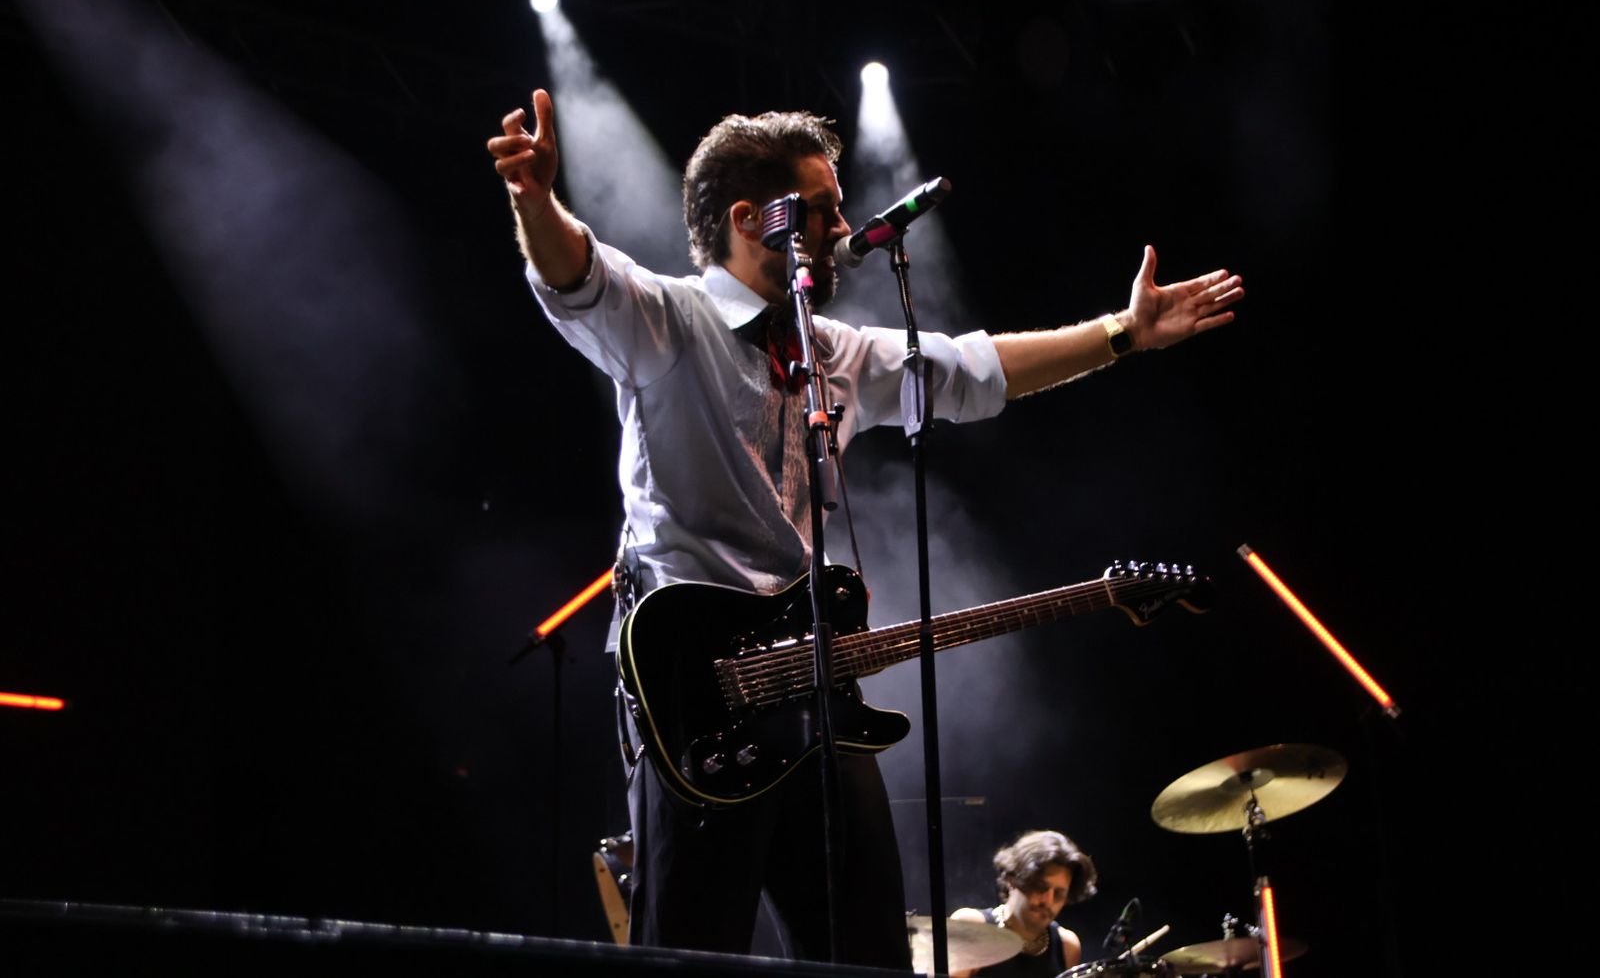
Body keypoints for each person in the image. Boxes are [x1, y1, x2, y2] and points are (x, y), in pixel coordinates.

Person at [486, 88, 1242, 967]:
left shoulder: (834, 351)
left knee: (869, 955)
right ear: (749, 216)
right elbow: (579, 277)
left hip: (810, 685)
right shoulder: (671, 320)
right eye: (821, 206)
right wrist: (535, 202)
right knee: (690, 954)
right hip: (696, 694)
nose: (844, 223)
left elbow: (972, 370)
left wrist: (1123, 332)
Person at [951, 830, 1099, 977]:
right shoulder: (970, 926)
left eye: (1059, 894)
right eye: (1040, 887)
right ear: (1012, 880)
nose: (1048, 901)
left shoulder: (1067, 946)